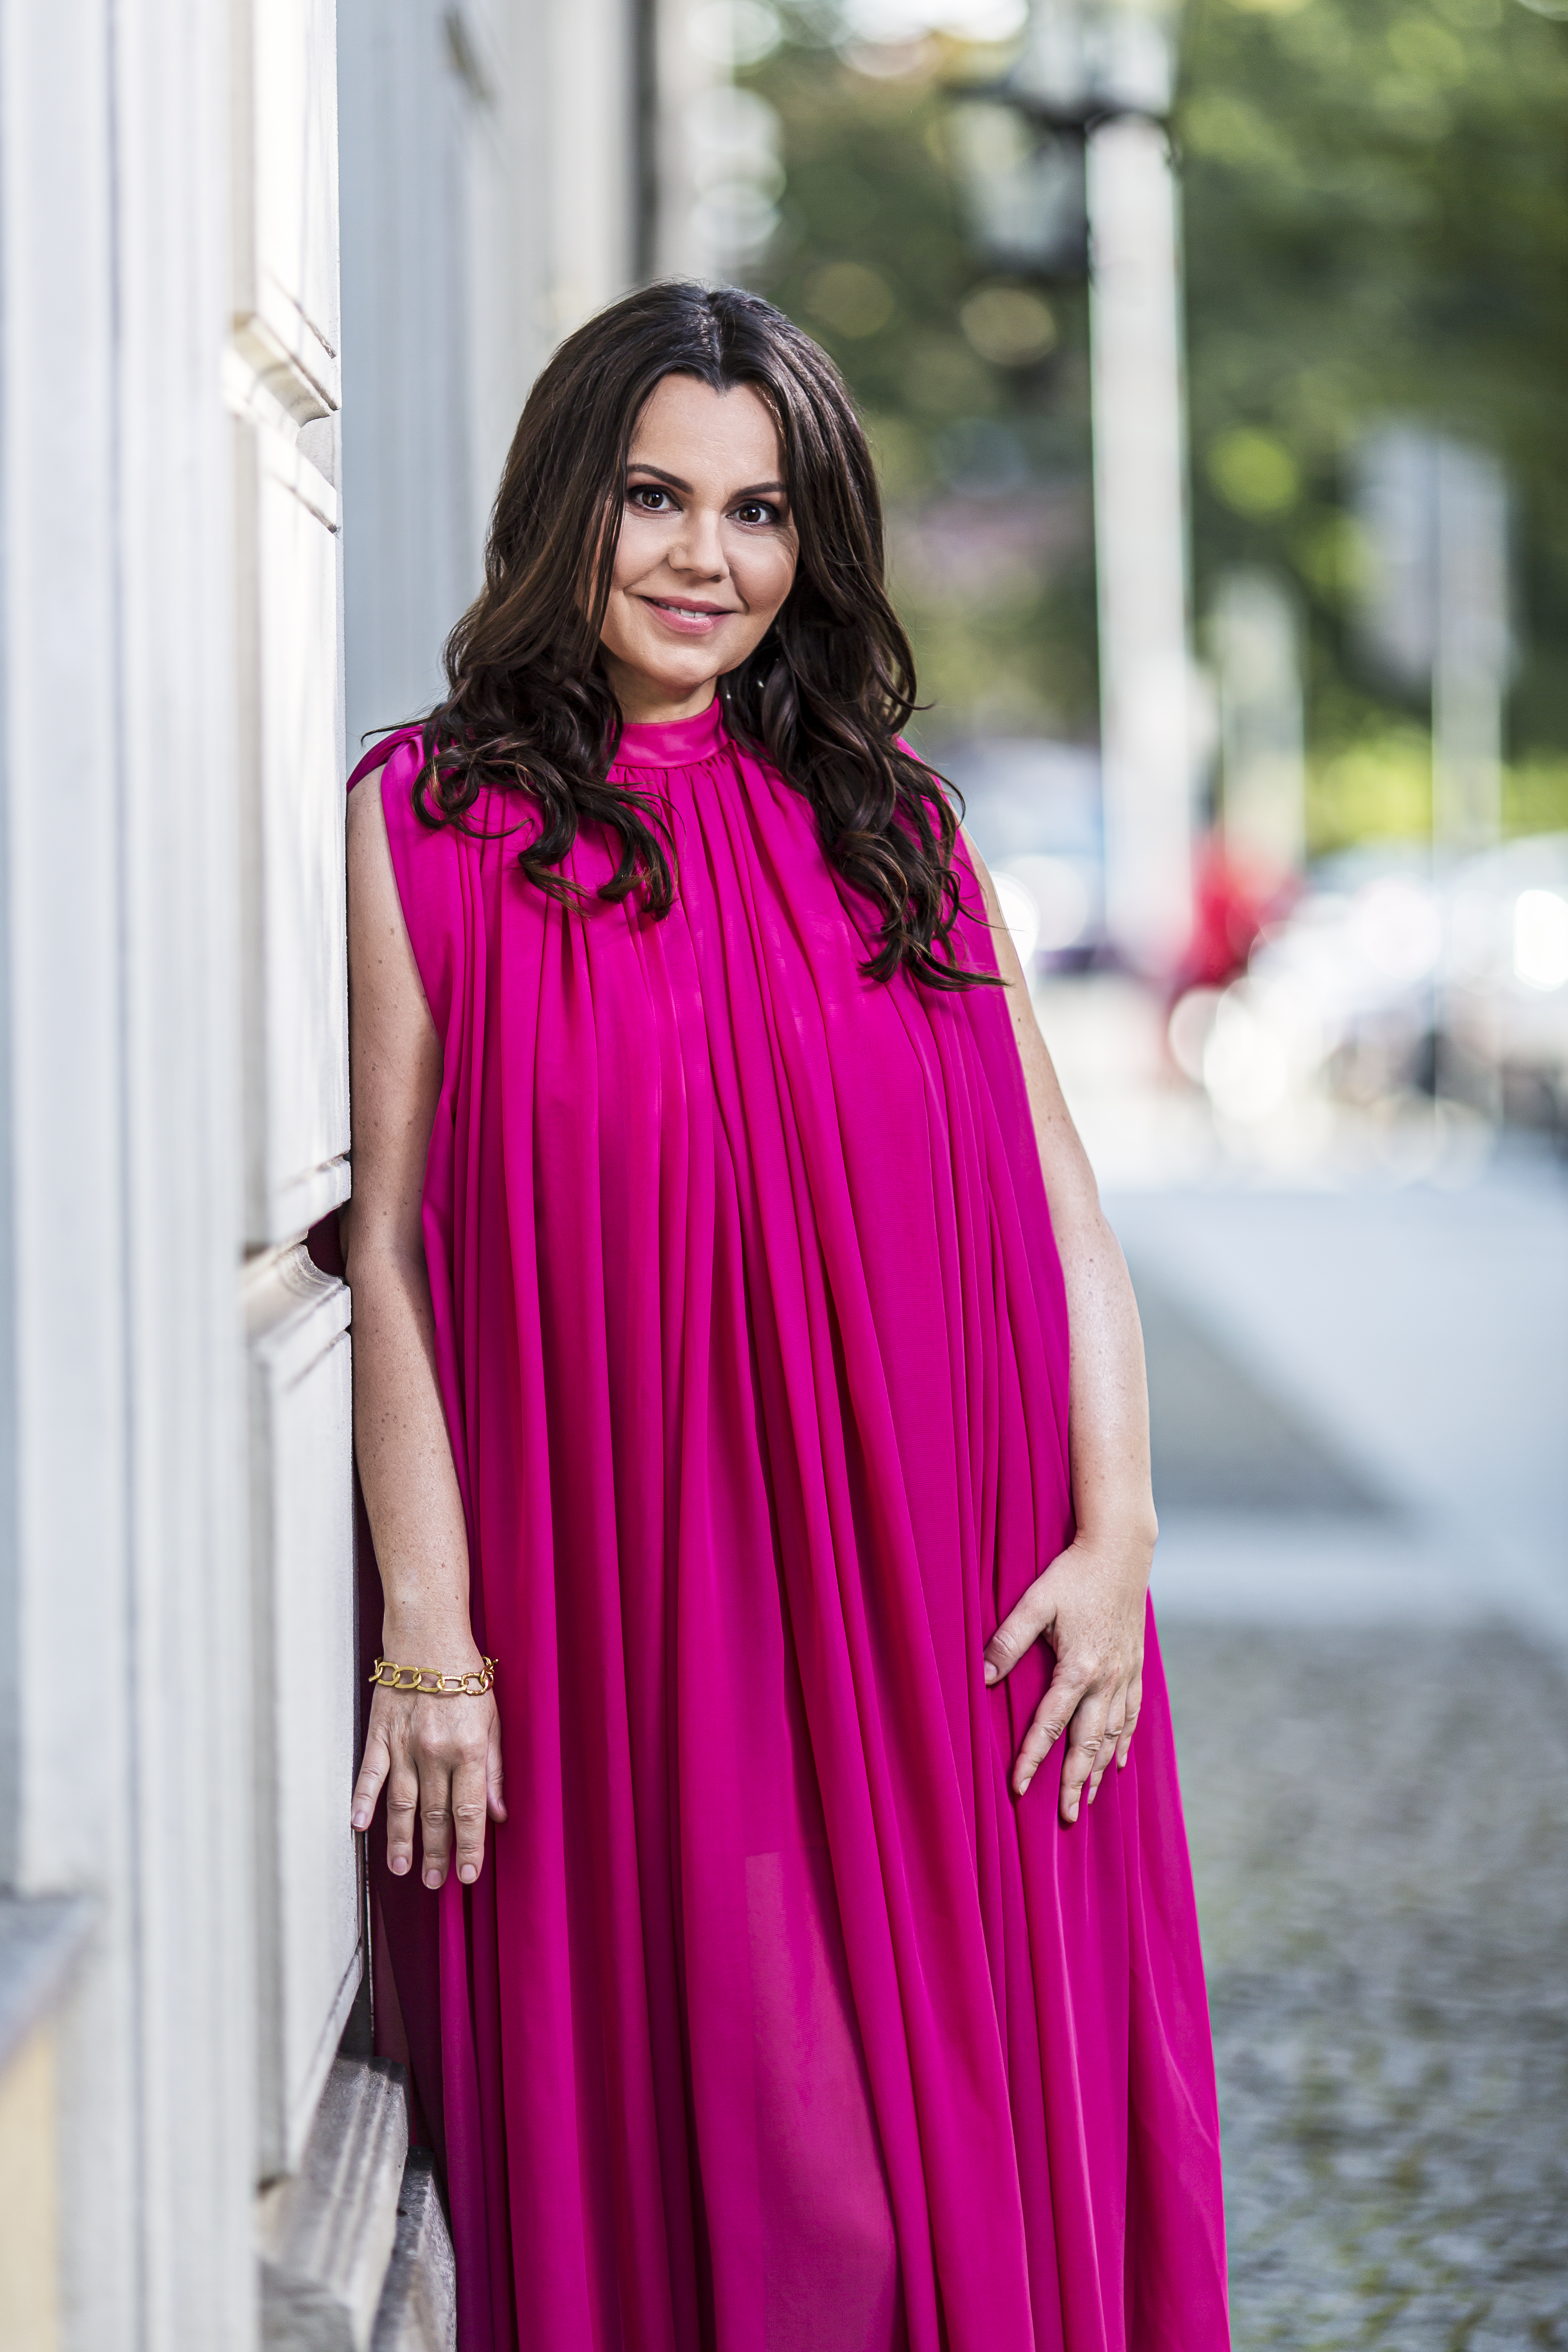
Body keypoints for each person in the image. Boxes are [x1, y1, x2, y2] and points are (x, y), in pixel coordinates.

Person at [342, 280, 1229, 2352]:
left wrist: (1116, 1545)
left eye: (755, 515)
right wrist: (429, 1635)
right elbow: (379, 1247)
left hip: (959, 1627)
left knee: (957, 2218)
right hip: (631, 1638)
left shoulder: (897, 831)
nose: (699, 559)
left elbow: (1060, 1201)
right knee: (769, 2198)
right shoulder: (428, 829)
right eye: (652, 497)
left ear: (807, 548)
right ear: (567, 501)